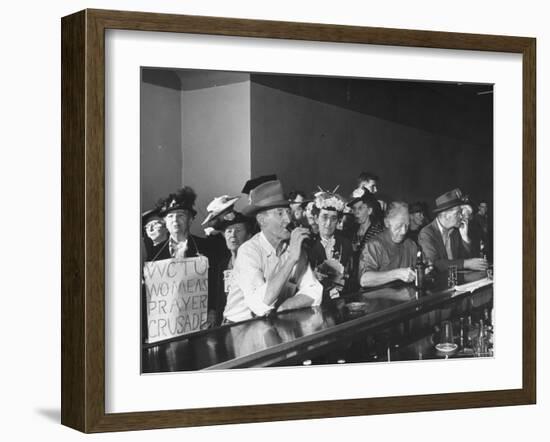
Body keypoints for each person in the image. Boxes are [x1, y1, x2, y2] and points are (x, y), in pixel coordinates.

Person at [223, 179, 323, 323]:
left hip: (272, 322)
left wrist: (286, 306)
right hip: (238, 327)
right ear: (262, 220)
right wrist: (291, 260)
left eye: (288, 212)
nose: (288, 219)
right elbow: (260, 305)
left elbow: (314, 290)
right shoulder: (248, 252)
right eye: (280, 213)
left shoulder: (292, 248)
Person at [201, 195, 252, 327]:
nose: (232, 236)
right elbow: (219, 300)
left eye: (238, 230)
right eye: (228, 231)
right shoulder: (222, 264)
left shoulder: (254, 262)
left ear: (249, 235)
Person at [418, 188, 488, 273]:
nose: (461, 216)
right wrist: (466, 263)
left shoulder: (455, 231)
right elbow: (434, 263)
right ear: (446, 215)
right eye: (458, 213)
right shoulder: (427, 233)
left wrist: (465, 238)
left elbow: (470, 260)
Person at [359, 202, 418, 287]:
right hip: (378, 298)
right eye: (399, 226)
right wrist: (397, 274)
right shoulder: (374, 245)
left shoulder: (410, 244)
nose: (404, 231)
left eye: (407, 226)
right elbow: (364, 280)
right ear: (387, 223)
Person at [307, 191, 353, 298]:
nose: (328, 223)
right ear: (315, 218)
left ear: (338, 221)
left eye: (333, 219)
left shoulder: (345, 244)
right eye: (324, 217)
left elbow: (352, 277)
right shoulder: (307, 245)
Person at [347, 187, 385, 288]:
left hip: (371, 283)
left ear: (369, 210)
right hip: (352, 283)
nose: (356, 212)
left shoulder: (378, 232)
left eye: (360, 208)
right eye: (354, 209)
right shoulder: (351, 231)